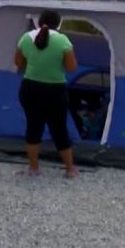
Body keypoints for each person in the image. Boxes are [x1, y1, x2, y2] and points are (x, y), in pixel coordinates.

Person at [13, 10, 79, 178]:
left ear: (39, 21)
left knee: (33, 127)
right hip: (55, 91)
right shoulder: (62, 40)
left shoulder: (26, 38)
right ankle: (70, 169)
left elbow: (18, 63)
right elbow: (71, 67)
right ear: (58, 24)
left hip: (30, 88)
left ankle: (34, 168)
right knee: (59, 129)